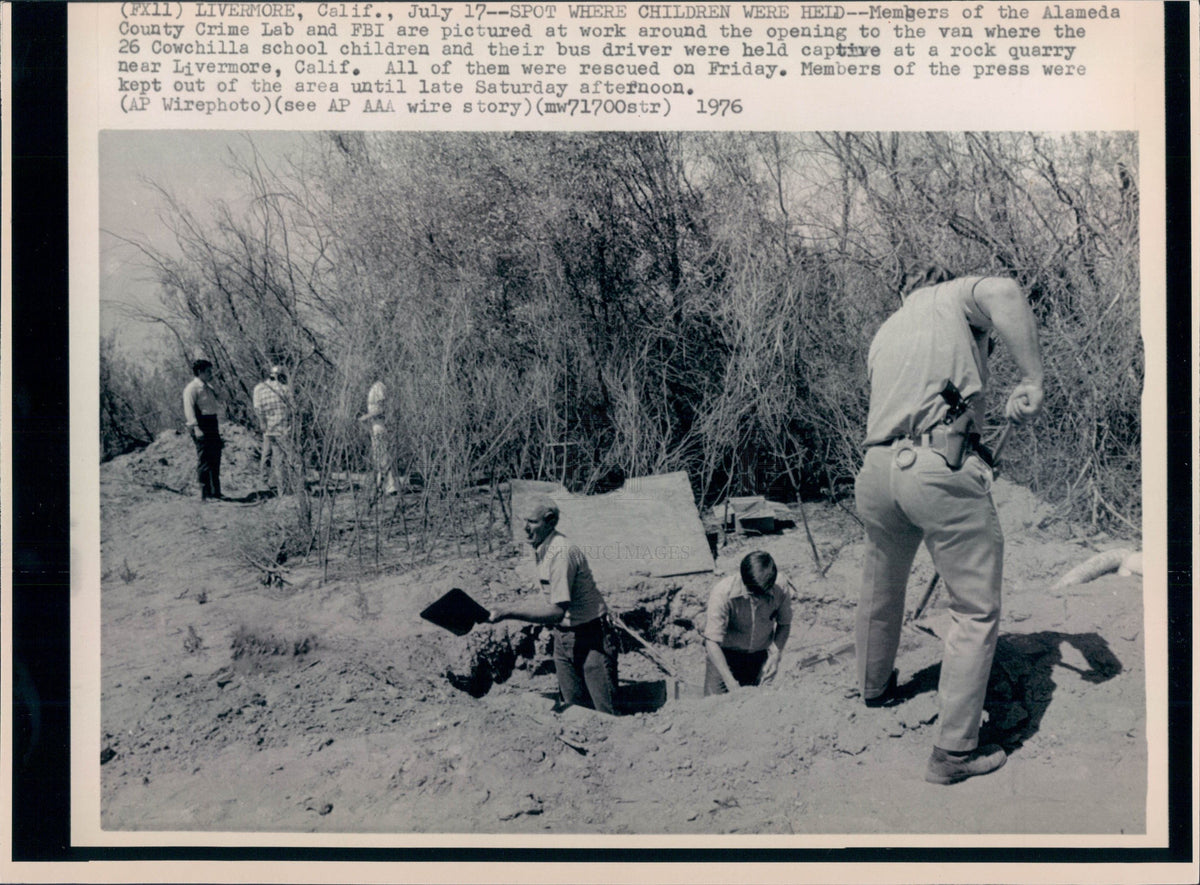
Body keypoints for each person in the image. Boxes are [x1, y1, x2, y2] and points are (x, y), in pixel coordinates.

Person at [854, 267, 1043, 785]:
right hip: (934, 467)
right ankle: (954, 752)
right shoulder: (951, 296)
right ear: (944, 282)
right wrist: (1031, 380)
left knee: (880, 585)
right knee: (975, 608)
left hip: (875, 471)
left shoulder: (888, 329)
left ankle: (873, 687)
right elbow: (1005, 289)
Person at [487, 496, 618, 715]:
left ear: (550, 521)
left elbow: (557, 611)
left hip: (591, 635)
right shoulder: (543, 548)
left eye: (532, 522)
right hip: (564, 636)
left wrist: (508, 611)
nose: (525, 528)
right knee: (574, 709)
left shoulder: (561, 553)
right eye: (524, 521)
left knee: (605, 710)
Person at [702, 551, 793, 695]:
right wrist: (730, 682)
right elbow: (712, 641)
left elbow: (784, 624)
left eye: (762, 595)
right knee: (715, 707)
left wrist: (775, 654)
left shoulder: (780, 587)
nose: (757, 601)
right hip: (725, 656)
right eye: (752, 594)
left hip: (758, 656)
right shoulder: (722, 593)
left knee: (751, 707)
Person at [182, 358, 224, 501]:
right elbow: (189, 409)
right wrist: (196, 428)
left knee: (215, 457)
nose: (211, 373)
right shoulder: (192, 388)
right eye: (208, 371)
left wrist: (215, 386)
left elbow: (220, 400)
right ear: (200, 372)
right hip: (201, 424)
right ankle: (205, 493)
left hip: (212, 423)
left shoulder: (208, 387)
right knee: (205, 458)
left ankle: (215, 491)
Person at [252, 365, 292, 493]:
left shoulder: (259, 388)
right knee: (283, 458)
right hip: (282, 428)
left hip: (268, 427)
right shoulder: (285, 389)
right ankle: (283, 488)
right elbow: (292, 408)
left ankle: (263, 482)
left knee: (267, 454)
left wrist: (262, 423)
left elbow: (257, 408)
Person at [358, 379, 398, 496]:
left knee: (382, 456)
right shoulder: (375, 386)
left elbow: (380, 410)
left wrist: (365, 417)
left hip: (379, 426)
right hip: (374, 426)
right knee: (379, 457)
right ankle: (382, 485)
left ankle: (389, 486)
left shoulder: (379, 387)